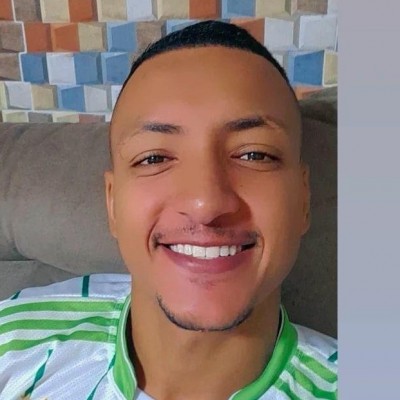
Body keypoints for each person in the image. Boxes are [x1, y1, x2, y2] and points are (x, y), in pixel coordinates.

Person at [0, 21, 337, 400]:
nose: (205, 203)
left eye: (254, 154)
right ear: (112, 203)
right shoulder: (13, 341)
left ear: (303, 199)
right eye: (154, 158)